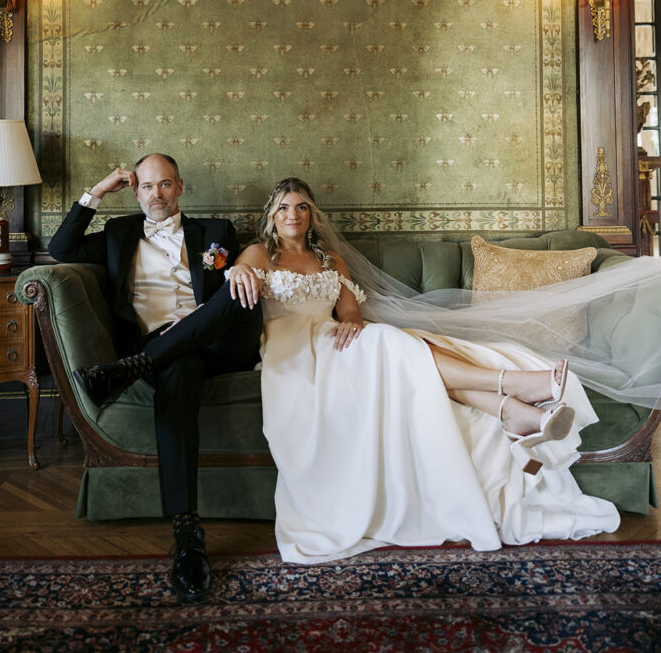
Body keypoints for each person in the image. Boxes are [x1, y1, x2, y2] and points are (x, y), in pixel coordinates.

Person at [226, 176, 648, 564]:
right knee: (397, 343)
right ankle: (515, 389)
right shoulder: (262, 253)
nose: (292, 215)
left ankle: (518, 411)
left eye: (301, 207)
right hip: (292, 350)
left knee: (398, 345)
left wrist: (352, 324)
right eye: (283, 208)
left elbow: (350, 313)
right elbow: (242, 274)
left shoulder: (332, 259)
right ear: (271, 216)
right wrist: (243, 269)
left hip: (338, 340)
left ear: (312, 215)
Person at [48, 153, 263, 601]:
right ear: (136, 190)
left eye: (165, 184)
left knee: (238, 289)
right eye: (147, 186)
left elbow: (245, 281)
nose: (157, 194)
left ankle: (130, 371)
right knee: (178, 369)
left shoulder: (216, 232)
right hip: (164, 351)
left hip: (216, 345)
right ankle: (187, 536)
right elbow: (60, 250)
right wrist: (99, 190)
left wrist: (242, 264)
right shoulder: (118, 232)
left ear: (180, 187)